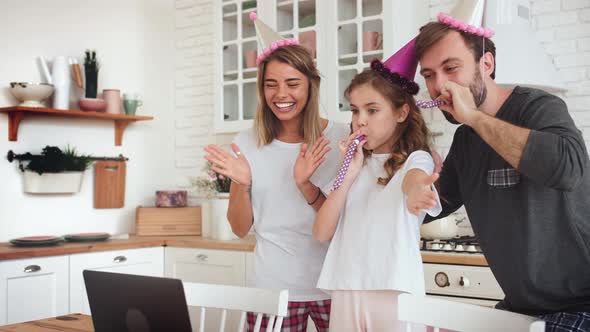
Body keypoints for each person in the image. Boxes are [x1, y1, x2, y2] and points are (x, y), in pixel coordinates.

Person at [414, 2, 590, 330]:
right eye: (429, 75)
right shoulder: (466, 141)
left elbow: (568, 168)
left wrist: (475, 118)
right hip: (522, 308)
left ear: (487, 64)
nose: (439, 86)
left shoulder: (540, 108)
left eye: (451, 68)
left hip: (581, 304)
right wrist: (408, 180)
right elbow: (433, 204)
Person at [203, 13, 348, 332]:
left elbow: (351, 222)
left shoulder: (343, 139)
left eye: (292, 83)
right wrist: (242, 183)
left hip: (336, 285)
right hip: (272, 289)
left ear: (311, 85)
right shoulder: (247, 143)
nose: (281, 95)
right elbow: (240, 228)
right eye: (271, 85)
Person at [313, 39, 441, 331]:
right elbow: (321, 232)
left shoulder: (416, 160)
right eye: (355, 111)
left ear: (400, 113)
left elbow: (415, 179)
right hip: (346, 287)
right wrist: (348, 175)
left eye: (372, 110)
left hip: (394, 290)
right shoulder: (353, 164)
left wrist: (419, 190)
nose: (360, 121)